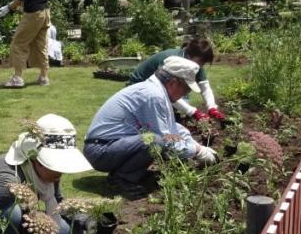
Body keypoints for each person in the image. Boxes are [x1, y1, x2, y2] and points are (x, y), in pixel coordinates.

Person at [85, 56, 218, 199]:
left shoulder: (157, 92)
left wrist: (195, 145)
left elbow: (173, 128)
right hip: (100, 151)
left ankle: (125, 174)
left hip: (112, 146)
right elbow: (167, 140)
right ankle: (121, 179)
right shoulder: (153, 96)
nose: (186, 94)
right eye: (186, 88)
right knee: (155, 140)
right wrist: (197, 151)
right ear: (173, 82)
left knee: (155, 138)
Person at [127, 37, 224, 122]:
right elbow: (168, 92)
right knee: (161, 117)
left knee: (182, 101)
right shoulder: (173, 61)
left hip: (160, 89)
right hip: (138, 86)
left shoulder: (195, 64)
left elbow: (205, 87)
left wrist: (212, 107)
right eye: (201, 62)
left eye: (203, 63)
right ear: (190, 56)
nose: (201, 65)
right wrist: (193, 112)